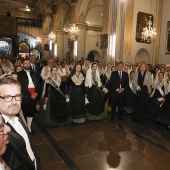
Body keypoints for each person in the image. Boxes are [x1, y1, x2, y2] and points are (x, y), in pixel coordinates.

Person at [0, 77, 41, 170]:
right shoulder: (2, 129)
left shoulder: (18, 117)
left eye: (17, 96)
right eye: (7, 97)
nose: (14, 102)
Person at [17, 59, 38, 133]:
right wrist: (30, 94)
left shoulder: (34, 74)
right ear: (22, 65)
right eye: (25, 63)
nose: (27, 65)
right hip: (26, 95)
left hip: (34, 95)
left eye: (28, 63)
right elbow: (21, 86)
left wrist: (36, 93)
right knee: (25, 112)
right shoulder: (19, 74)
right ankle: (24, 129)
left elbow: (38, 85)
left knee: (31, 112)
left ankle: (29, 127)